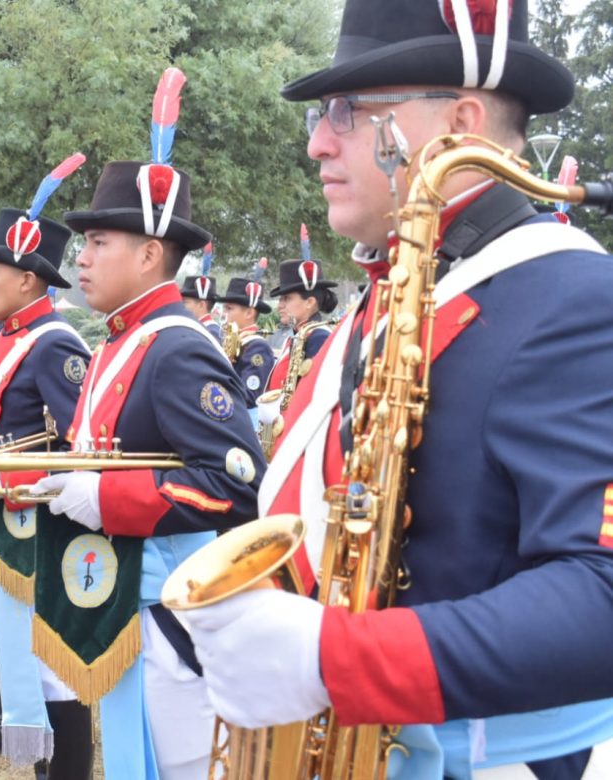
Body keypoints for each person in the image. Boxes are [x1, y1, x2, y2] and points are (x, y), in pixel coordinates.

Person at [181, 2, 613, 777]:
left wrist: (337, 659)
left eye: (348, 110)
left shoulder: (578, 298)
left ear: (461, 124)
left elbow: (602, 595)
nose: (318, 141)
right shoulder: (403, 283)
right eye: (321, 114)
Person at [24, 70, 265, 780]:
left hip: (173, 612)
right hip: (125, 593)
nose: (81, 258)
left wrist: (106, 499)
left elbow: (234, 485)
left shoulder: (176, 346)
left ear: (150, 254)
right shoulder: (120, 341)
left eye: (98, 242)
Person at [0, 189, 95, 774]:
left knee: (55, 668)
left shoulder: (54, 342)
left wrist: (4, 476)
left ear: (29, 280)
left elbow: (82, 449)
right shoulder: (7, 338)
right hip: (10, 521)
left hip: (44, 526)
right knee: (26, 660)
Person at [262, 258, 337, 394]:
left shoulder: (318, 338)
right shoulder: (298, 335)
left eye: (287, 298)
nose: (280, 306)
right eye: (280, 299)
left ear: (309, 302)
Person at [217, 276, 274, 411]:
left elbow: (249, 396)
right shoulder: (232, 340)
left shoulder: (257, 347)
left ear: (249, 313)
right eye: (224, 308)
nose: (224, 314)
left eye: (229, 308)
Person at [179, 273, 222, 341]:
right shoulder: (194, 328)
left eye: (185, 302)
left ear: (201, 305)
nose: (181, 305)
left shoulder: (211, 332)